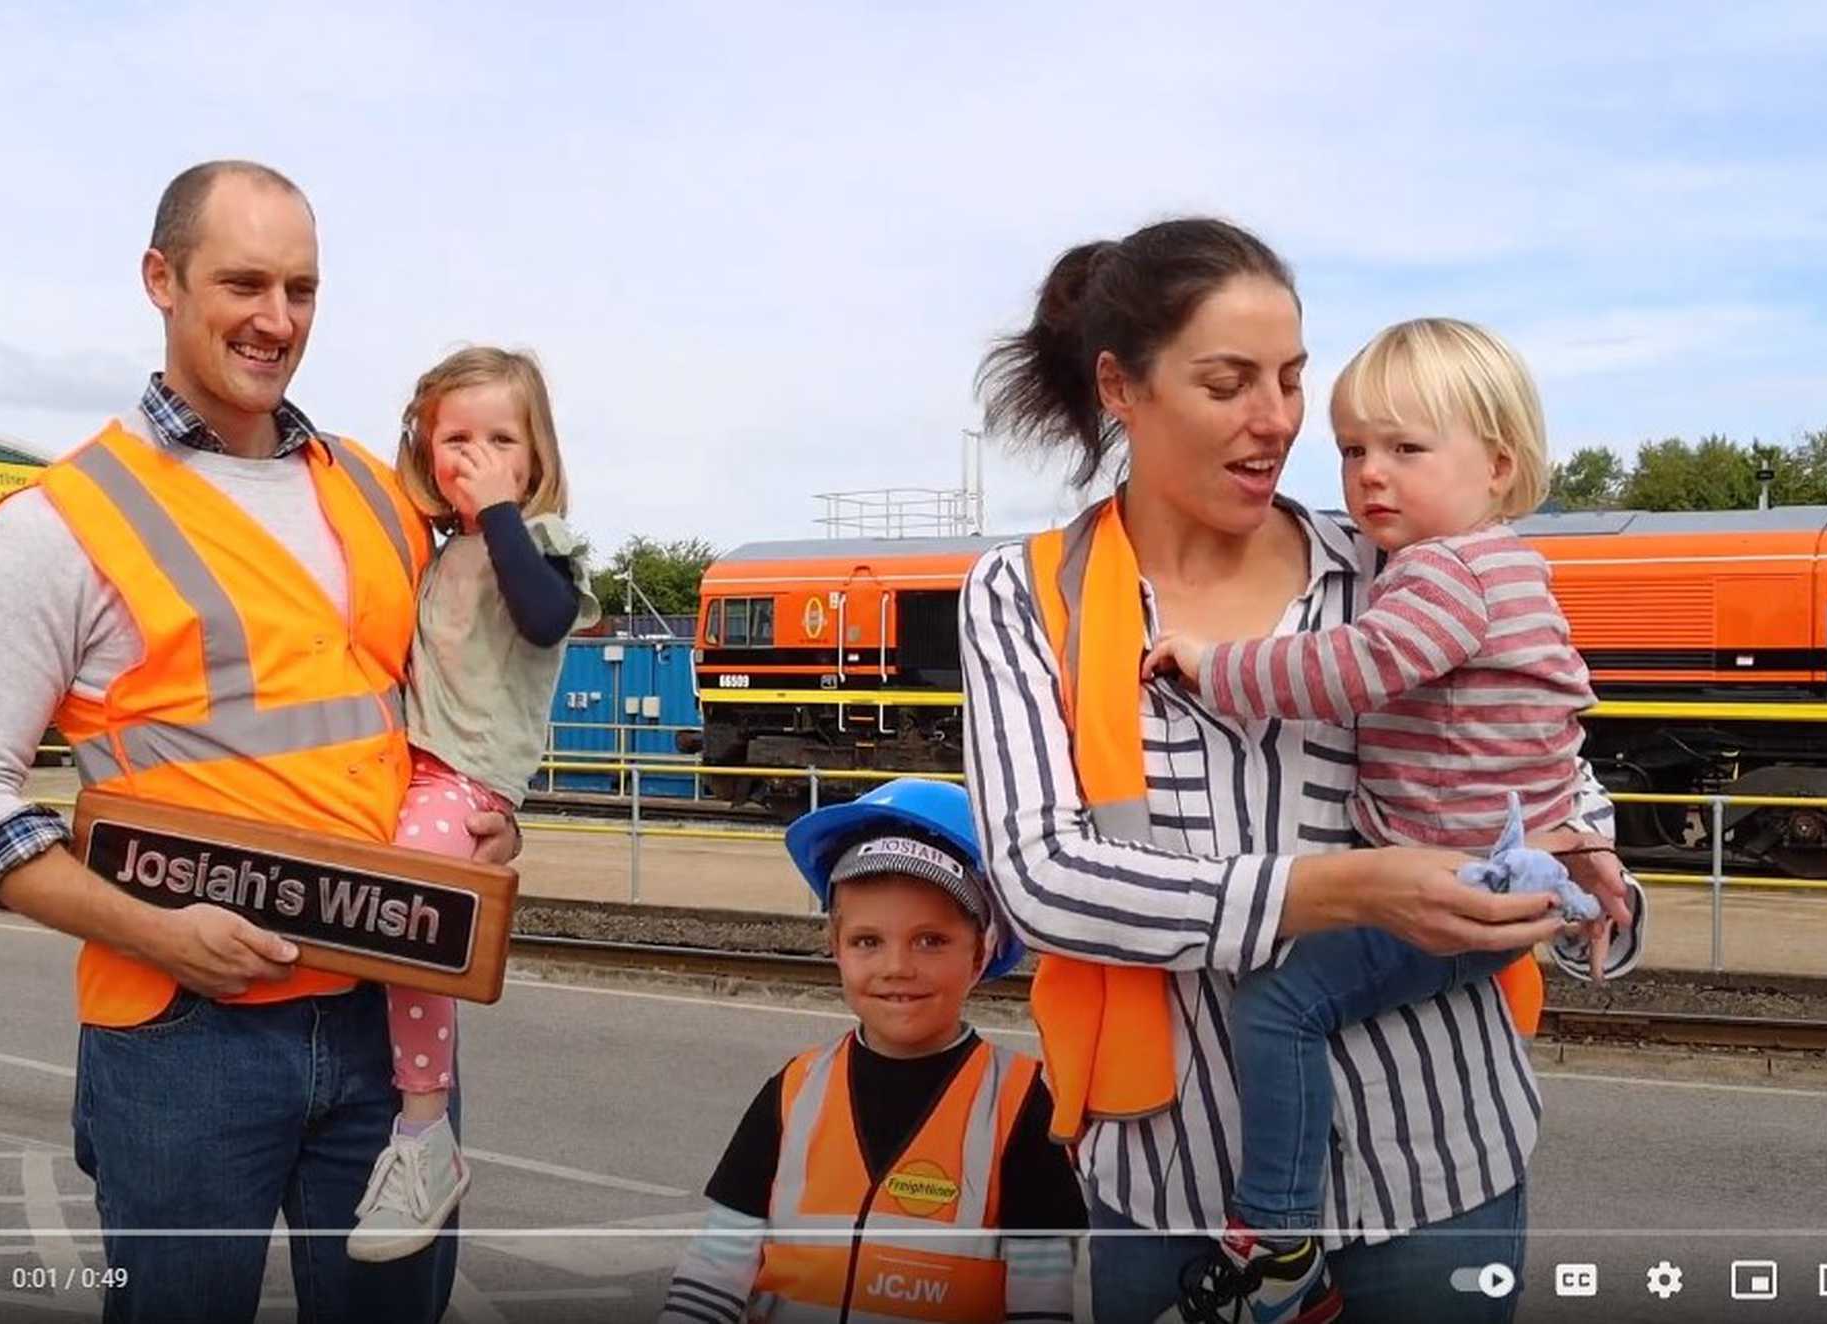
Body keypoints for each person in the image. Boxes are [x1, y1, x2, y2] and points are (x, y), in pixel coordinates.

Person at [960, 217, 1646, 1324]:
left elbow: (1533, 751)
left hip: (1438, 1163)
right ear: (1120, 388)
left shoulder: (1396, 562)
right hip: (1173, 1182)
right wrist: (1332, 892)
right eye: (1228, 382)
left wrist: (1585, 874)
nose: (1275, 419)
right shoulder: (1023, 596)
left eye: (1288, 378)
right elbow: (1041, 876)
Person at [0, 160, 515, 1324]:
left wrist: (485, 815)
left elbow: (433, 725)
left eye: (301, 288)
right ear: (160, 279)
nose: (276, 320)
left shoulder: (381, 497)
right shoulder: (59, 524)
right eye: (243, 282)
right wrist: (152, 930)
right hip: (182, 1034)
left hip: (391, 1014)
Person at [1138, 317, 1612, 1321]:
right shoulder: (1518, 567)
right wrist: (1588, 848)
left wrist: (1209, 663)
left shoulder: (1439, 573)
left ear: (1495, 463)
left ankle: (1275, 1237)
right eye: (1353, 449)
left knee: (1278, 1006)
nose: (1368, 476)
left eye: (1404, 448)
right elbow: (1550, 737)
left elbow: (1346, 669)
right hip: (1511, 875)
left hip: (1455, 889)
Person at [657, 779, 1087, 1324]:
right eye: (867, 941)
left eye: (930, 941)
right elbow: (715, 1268)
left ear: (982, 954)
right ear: (834, 949)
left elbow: (1042, 1297)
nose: (896, 967)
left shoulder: (1020, 1107)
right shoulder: (793, 1092)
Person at [346, 347, 600, 1261]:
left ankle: (425, 1131)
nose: (480, 455)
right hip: (401, 765)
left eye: (503, 439)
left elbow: (543, 617)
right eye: (458, 439)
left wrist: (498, 509)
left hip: (463, 778)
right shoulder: (437, 550)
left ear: (535, 459)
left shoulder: (540, 545)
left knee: (414, 910)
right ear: (425, 450)